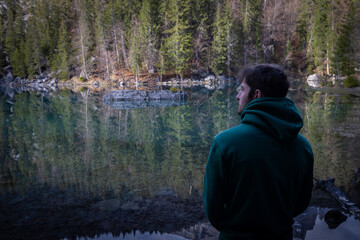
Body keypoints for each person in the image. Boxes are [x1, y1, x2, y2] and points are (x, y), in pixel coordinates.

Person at [203, 64, 314, 240]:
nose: (237, 96)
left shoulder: (225, 143)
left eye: (242, 90)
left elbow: (213, 206)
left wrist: (233, 226)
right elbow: (301, 202)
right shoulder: (303, 146)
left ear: (257, 95)